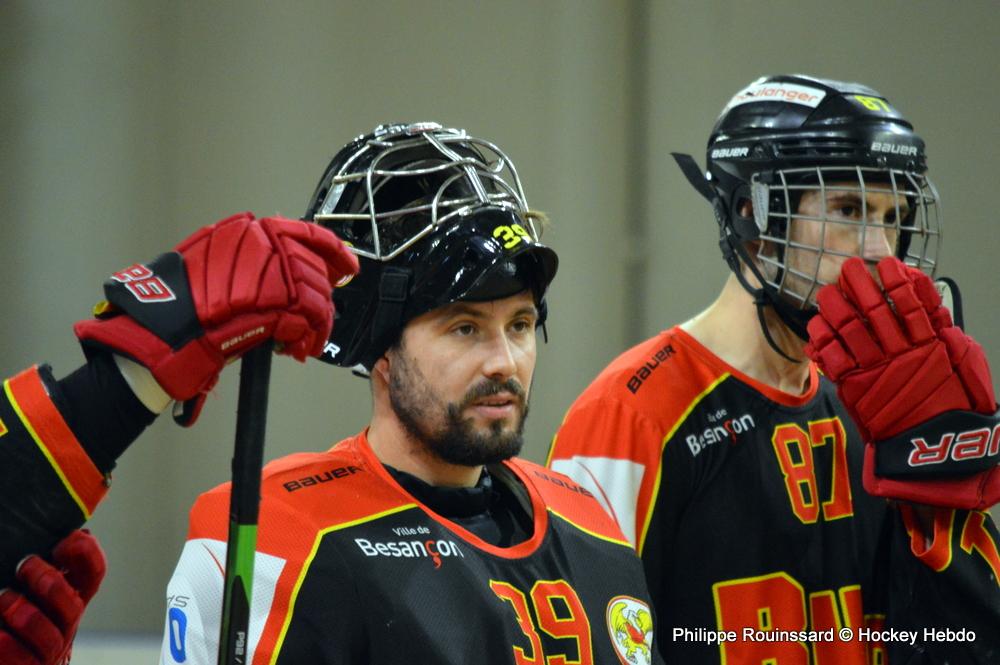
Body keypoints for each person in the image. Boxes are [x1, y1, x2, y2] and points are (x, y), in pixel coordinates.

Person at [0, 123, 663, 664]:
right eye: (464, 327)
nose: (504, 361)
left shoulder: (594, 523)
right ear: (378, 346)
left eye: (520, 325)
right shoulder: (278, 538)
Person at [546, 74, 1000, 664]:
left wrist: (945, 493)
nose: (880, 250)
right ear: (754, 219)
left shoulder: (889, 406)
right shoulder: (628, 414)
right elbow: (581, 644)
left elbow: (958, 648)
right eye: (848, 208)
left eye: (891, 216)